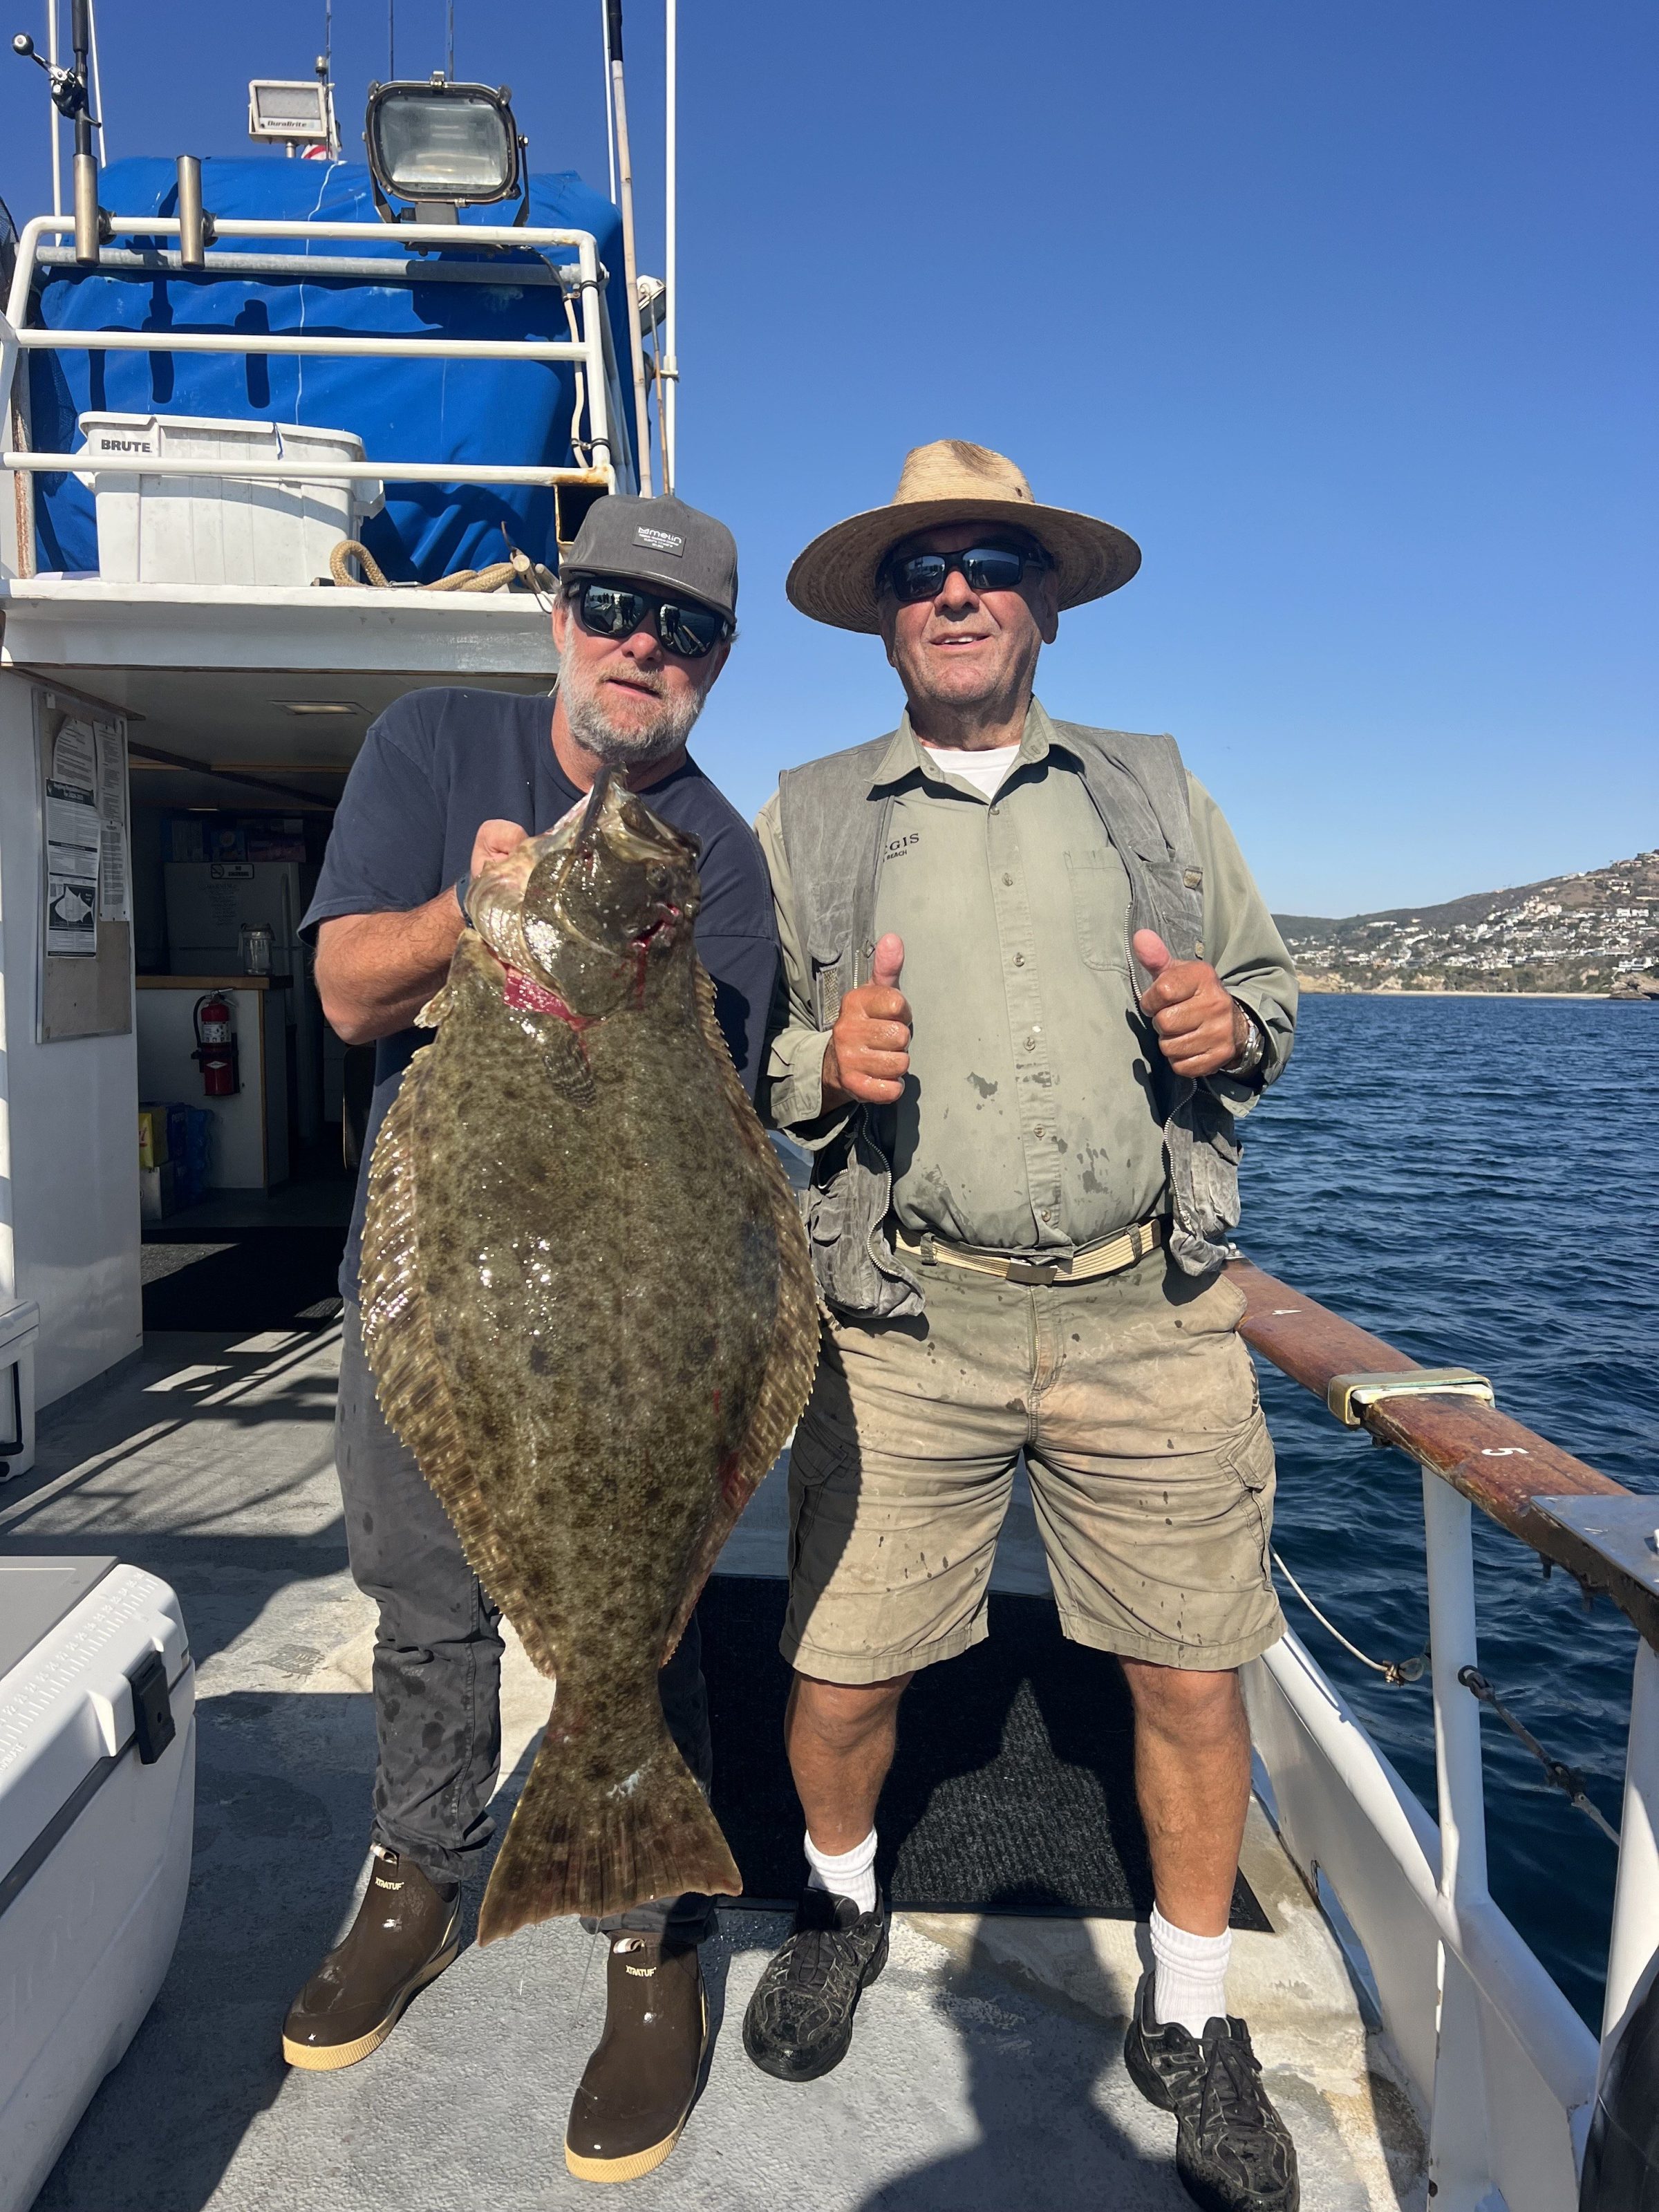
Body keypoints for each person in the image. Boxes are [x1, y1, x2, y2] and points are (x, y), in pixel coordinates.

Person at [746, 441, 1301, 2212]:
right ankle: (840, 1901)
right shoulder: (809, 813)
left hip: (1152, 1311)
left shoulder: (1151, 786)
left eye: (992, 561)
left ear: (1045, 600)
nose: (959, 590)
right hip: (907, 1318)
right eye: (924, 571)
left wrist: (1232, 1027)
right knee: (839, 1675)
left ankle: (1196, 2012)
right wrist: (817, 1069)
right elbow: (737, 1057)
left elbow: (1271, 997)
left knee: (1191, 1680)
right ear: (884, 621)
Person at [285, 494, 776, 2188]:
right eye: (609, 605)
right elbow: (351, 990)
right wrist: (471, 918)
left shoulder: (717, 853)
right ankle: (416, 1873)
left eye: (683, 628)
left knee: (642, 1617)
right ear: (557, 615)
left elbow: (713, 1151)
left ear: (714, 663)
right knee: (424, 1605)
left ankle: (653, 1940)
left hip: (633, 1321)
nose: (640, 644)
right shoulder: (433, 744)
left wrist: (567, 933)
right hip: (444, 1295)